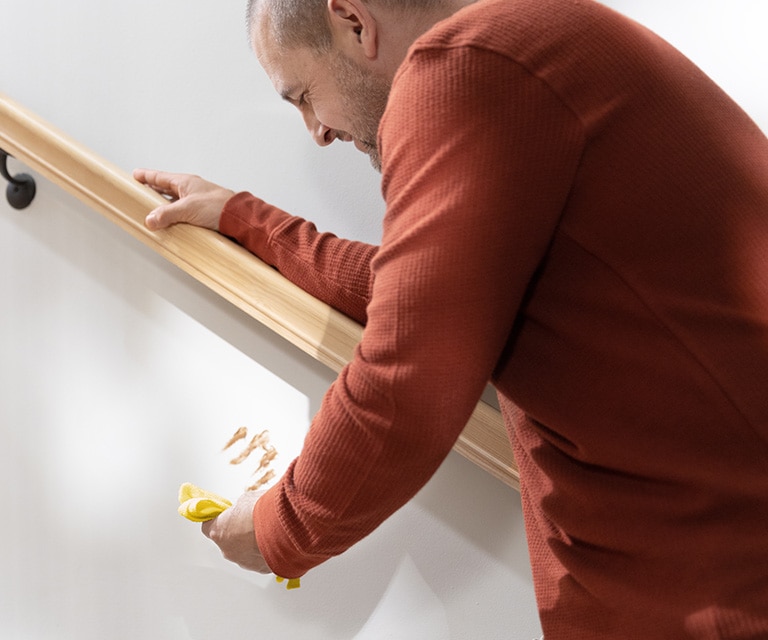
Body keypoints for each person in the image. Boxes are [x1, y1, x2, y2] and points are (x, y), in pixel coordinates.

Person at [134, 0, 768, 637]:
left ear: (353, 20)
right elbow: (420, 291)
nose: (316, 131)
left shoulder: (463, 65)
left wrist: (276, 527)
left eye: (302, 95)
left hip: (716, 592)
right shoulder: (519, 54)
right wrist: (246, 221)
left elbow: (408, 376)